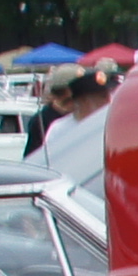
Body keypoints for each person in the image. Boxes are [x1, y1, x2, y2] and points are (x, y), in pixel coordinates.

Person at [33, 59, 113, 191]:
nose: (108, 100)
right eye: (102, 96)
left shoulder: (111, 123)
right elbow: (48, 167)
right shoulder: (59, 129)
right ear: (83, 101)